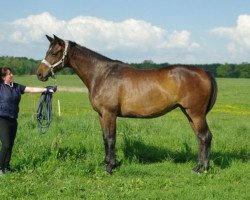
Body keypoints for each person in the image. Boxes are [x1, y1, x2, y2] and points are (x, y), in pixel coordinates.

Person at [0, 67, 56, 175]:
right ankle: (0, 168)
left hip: (13, 119)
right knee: (6, 144)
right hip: (2, 119)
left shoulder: (16, 87)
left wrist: (46, 89)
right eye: (9, 74)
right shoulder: (1, 87)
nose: (11, 75)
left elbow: (31, 89)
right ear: (3, 77)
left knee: (10, 145)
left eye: (11, 73)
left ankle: (6, 167)